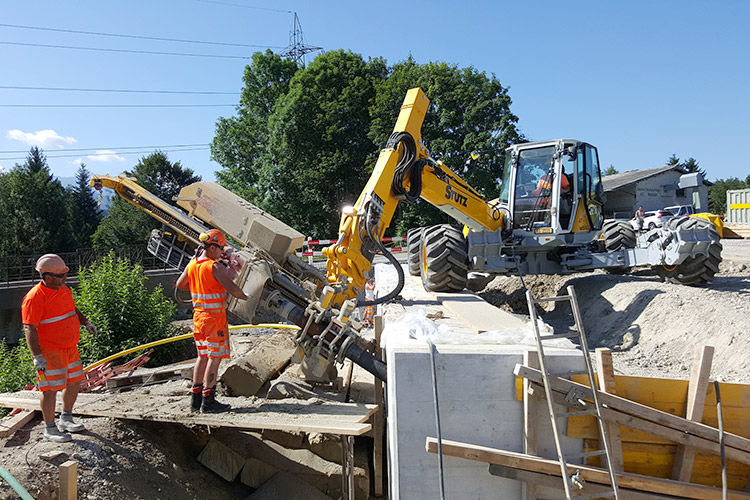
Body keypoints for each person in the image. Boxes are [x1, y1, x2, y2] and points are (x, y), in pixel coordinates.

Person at [22, 254, 98, 443]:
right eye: (61, 275)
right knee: (49, 389)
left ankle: (66, 418)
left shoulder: (63, 289)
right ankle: (49, 429)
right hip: (50, 351)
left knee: (74, 381)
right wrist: (37, 356)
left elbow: (72, 309)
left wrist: (85, 322)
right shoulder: (34, 298)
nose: (65, 278)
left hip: (69, 347)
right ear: (47, 277)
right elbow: (29, 327)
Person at [176, 229, 248, 413]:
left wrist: (200, 282)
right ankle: (208, 402)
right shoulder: (213, 267)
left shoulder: (193, 264)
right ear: (213, 247)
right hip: (214, 319)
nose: (223, 252)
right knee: (214, 359)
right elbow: (234, 290)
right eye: (221, 248)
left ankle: (195, 400)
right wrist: (249, 297)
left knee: (202, 357)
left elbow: (180, 284)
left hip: (199, 318)